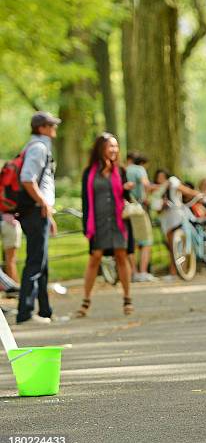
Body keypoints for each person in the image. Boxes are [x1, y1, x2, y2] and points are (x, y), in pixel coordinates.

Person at [75, 133, 135, 317]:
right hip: (98, 222)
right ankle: (85, 301)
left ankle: (127, 299)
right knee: (95, 257)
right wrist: (87, 226)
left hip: (118, 221)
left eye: (116, 146)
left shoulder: (121, 171)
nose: (114, 150)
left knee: (121, 256)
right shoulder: (89, 173)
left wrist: (126, 190)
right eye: (111, 146)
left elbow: (129, 199)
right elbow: (85, 200)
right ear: (101, 148)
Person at [16, 111, 61, 325]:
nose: (54, 128)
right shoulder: (39, 148)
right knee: (35, 262)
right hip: (34, 211)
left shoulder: (36, 146)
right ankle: (25, 312)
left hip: (38, 212)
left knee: (41, 263)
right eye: (51, 124)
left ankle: (44, 311)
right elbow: (27, 179)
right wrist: (43, 203)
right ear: (41, 128)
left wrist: (48, 213)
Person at [152, 169, 202, 281]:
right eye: (158, 177)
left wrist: (198, 194)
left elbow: (185, 190)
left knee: (182, 243)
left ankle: (184, 269)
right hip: (167, 221)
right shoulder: (158, 191)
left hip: (178, 218)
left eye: (162, 177)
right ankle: (174, 271)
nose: (161, 180)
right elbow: (156, 209)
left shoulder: (172, 182)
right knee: (172, 247)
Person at [125, 152, 156, 282]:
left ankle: (133, 272)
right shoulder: (140, 170)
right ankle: (142, 272)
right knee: (146, 241)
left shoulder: (125, 169)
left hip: (126, 208)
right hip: (138, 208)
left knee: (132, 242)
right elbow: (146, 185)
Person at [1, 212, 21, 286]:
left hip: (8, 223)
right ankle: (13, 286)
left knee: (10, 261)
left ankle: (13, 286)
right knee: (10, 261)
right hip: (9, 224)